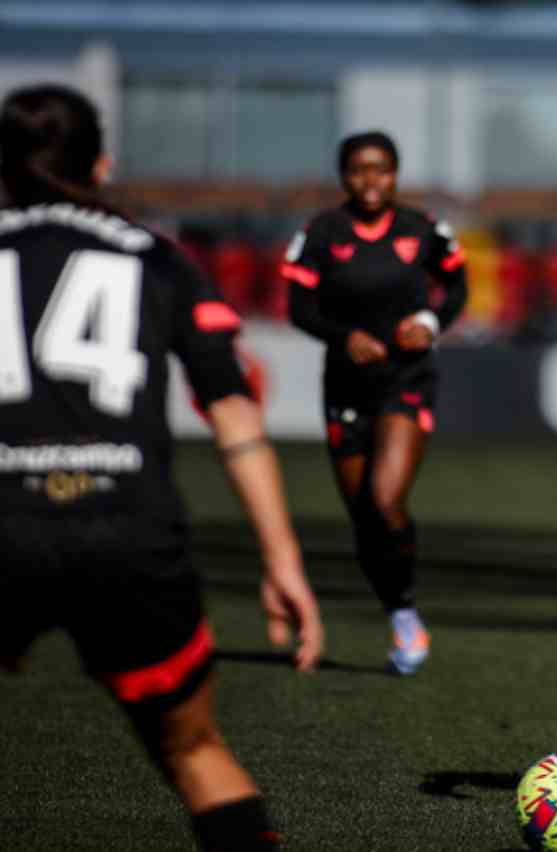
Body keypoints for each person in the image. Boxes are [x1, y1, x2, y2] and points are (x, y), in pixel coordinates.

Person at [0, 84, 324, 850]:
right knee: (193, 749)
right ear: (101, 165)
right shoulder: (155, 258)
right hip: (127, 531)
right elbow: (234, 414)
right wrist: (282, 559)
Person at [282, 131, 467, 674]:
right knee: (365, 519)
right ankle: (400, 611)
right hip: (346, 387)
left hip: (406, 378)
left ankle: (407, 616)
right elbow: (299, 307)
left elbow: (456, 288)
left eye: (380, 168)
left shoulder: (423, 229)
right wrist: (344, 338)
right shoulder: (322, 232)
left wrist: (430, 321)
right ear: (343, 175)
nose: (370, 180)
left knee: (385, 499)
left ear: (395, 174)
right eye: (359, 169)